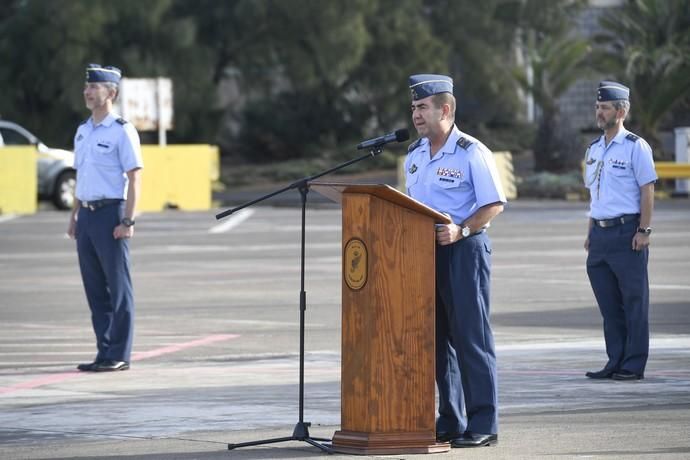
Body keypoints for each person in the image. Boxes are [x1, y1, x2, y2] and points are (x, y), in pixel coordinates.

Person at [404, 74, 506, 448]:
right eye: (414, 107)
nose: (416, 114)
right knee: (437, 340)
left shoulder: (471, 151)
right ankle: (451, 418)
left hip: (465, 251)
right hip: (424, 256)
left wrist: (461, 230)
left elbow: (494, 203)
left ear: (445, 109)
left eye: (423, 107)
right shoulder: (414, 156)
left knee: (471, 338)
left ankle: (483, 423)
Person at [67, 64, 143, 372]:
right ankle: (104, 351)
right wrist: (74, 216)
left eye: (95, 87)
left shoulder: (122, 130)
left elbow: (135, 178)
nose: (88, 91)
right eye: (87, 86)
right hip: (86, 215)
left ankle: (120, 354)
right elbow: (81, 177)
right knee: (95, 289)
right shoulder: (83, 130)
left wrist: (128, 221)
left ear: (111, 92)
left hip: (111, 213)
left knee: (118, 287)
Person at [583, 81, 656, 381]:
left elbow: (647, 190)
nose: (599, 112)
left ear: (621, 110)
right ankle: (615, 360)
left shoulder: (635, 146)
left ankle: (633, 364)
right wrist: (590, 230)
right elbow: (594, 195)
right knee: (609, 306)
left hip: (628, 233)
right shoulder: (593, 149)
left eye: (605, 107)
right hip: (599, 236)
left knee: (634, 302)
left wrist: (644, 230)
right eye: (598, 107)